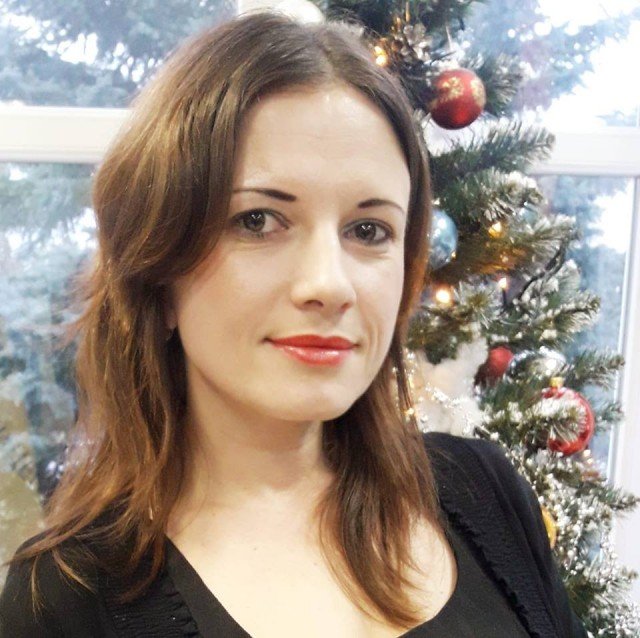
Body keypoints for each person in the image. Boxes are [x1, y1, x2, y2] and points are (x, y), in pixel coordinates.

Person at [0, 10, 586, 638]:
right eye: (257, 221)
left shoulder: (484, 492)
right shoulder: (67, 600)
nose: (328, 285)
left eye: (369, 230)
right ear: (159, 269)